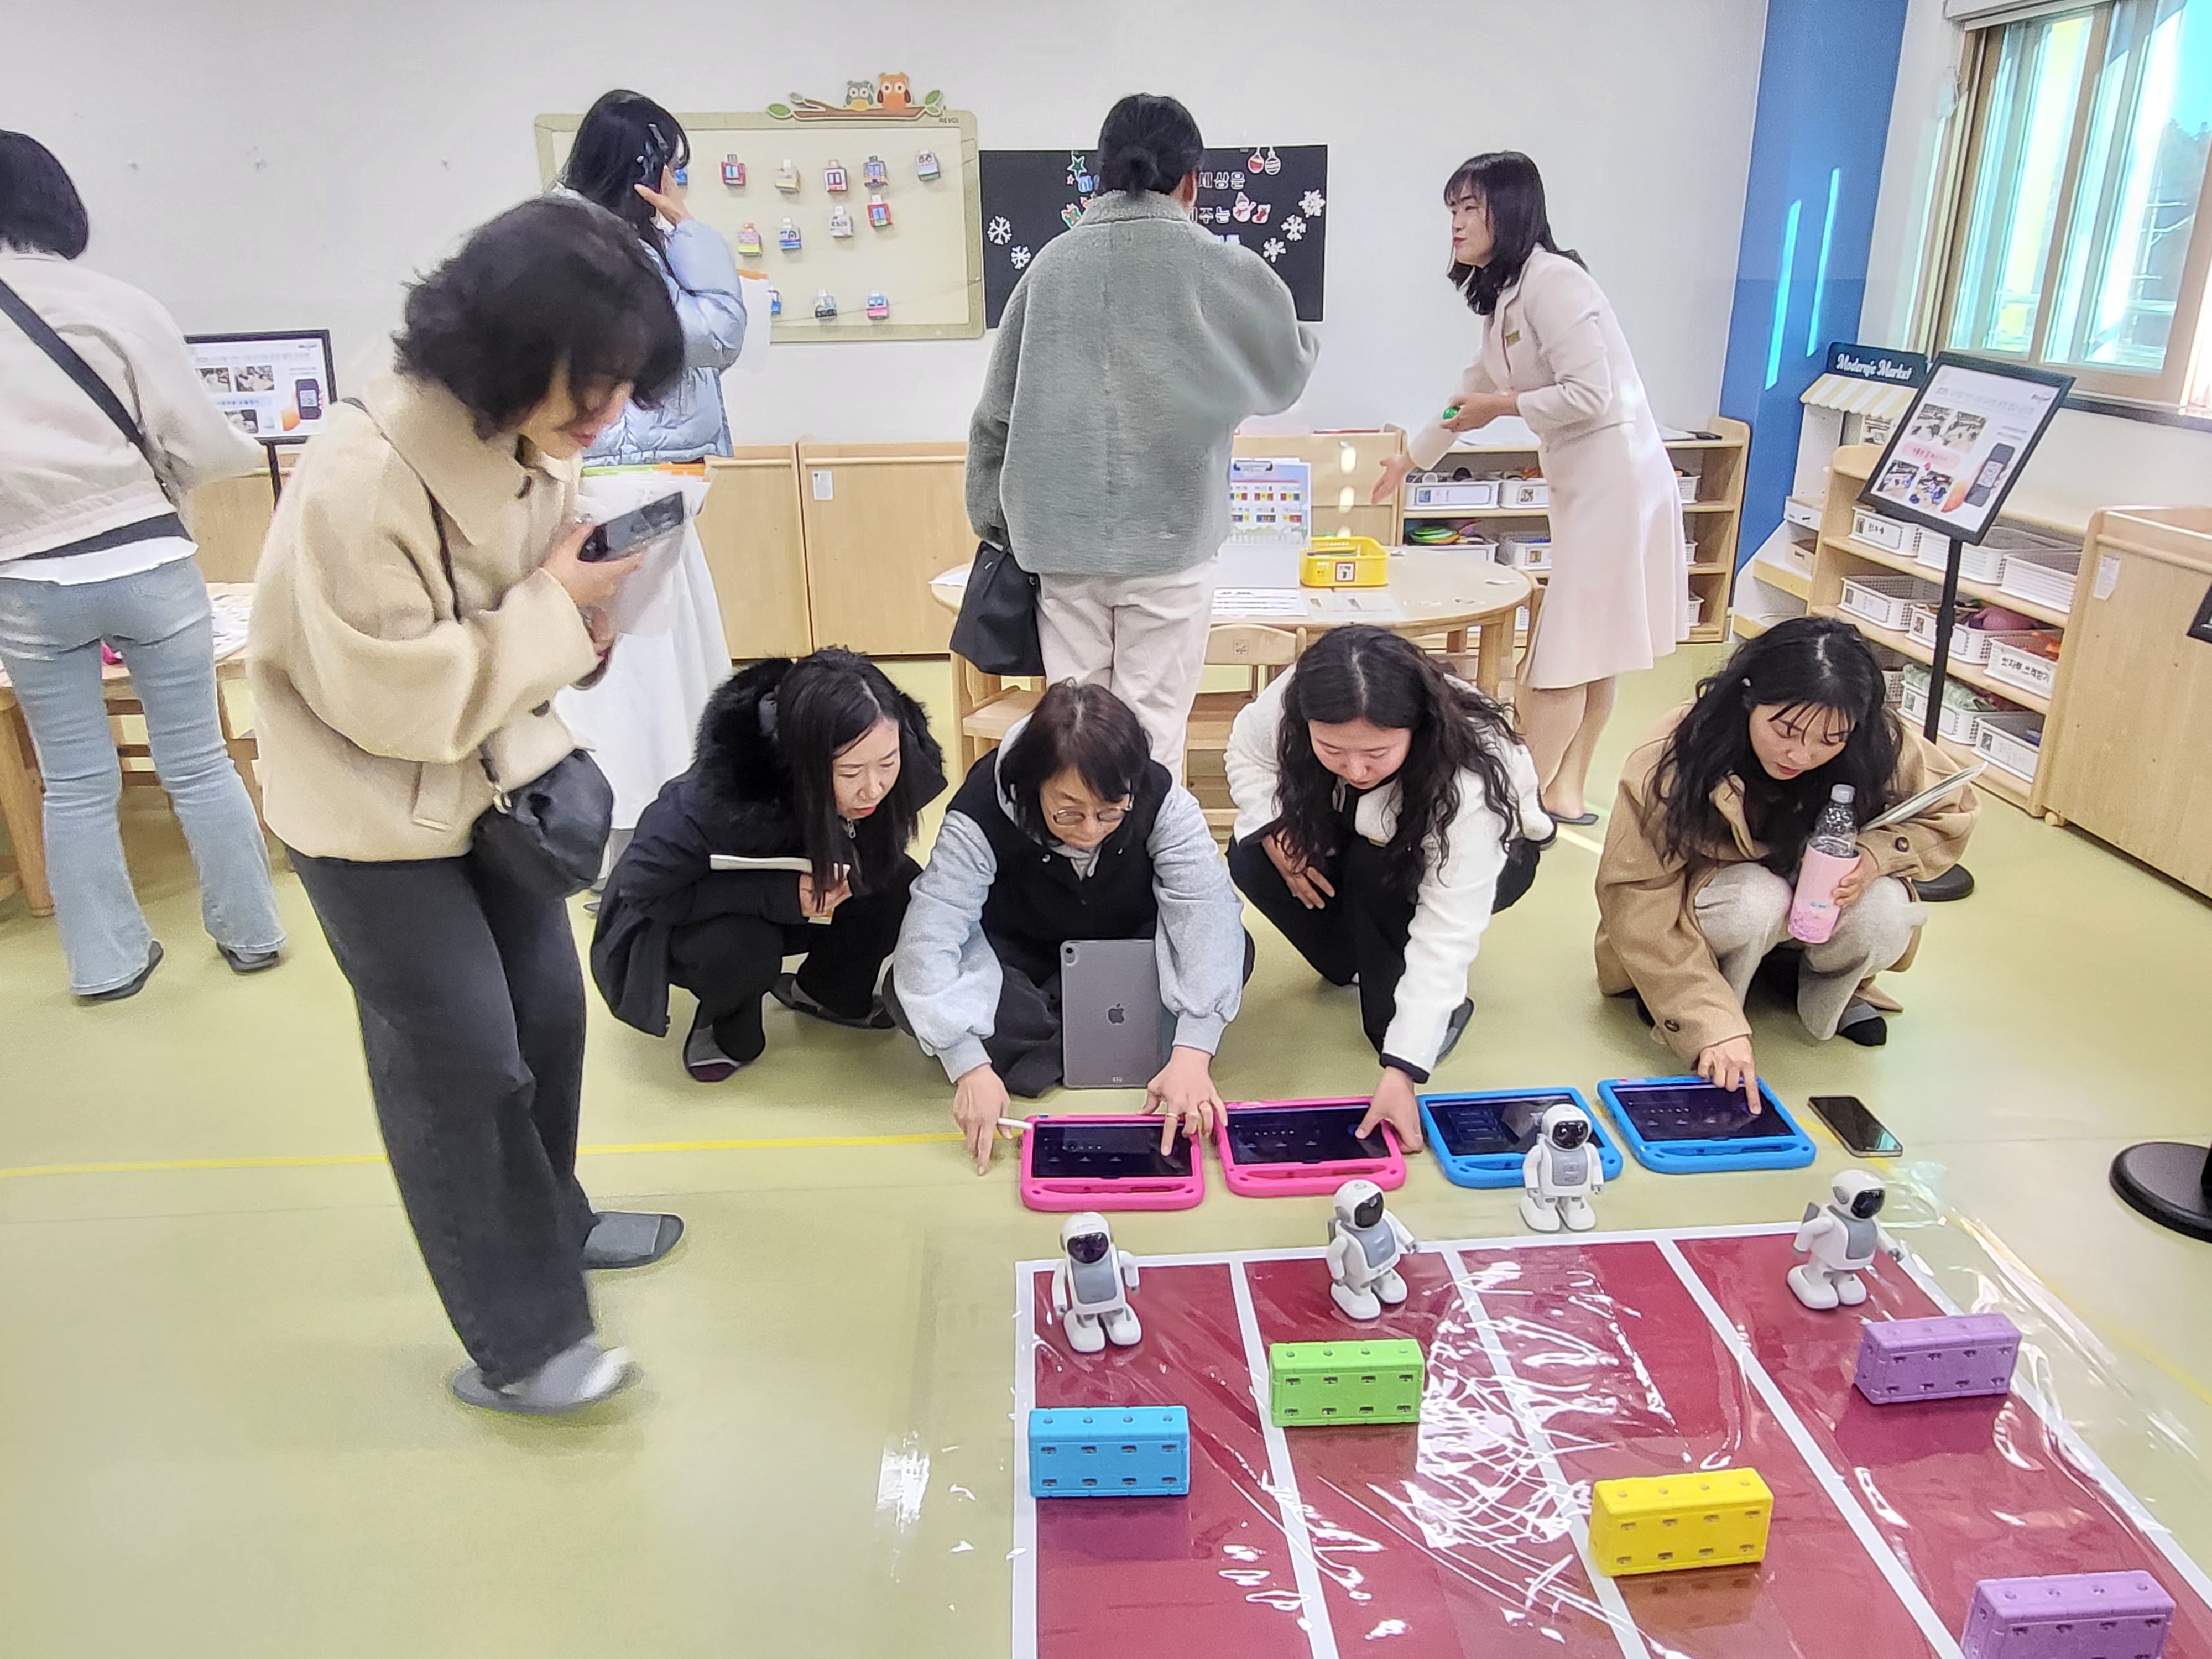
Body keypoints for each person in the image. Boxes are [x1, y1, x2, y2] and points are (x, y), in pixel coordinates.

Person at [248, 195, 688, 1416]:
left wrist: (582, 608)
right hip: (370, 813)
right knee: (460, 1064)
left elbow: (524, 627)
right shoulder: (358, 480)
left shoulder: (525, 440)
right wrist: (558, 606)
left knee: (547, 1016)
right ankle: (521, 1339)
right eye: (589, 394)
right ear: (503, 357)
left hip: (492, 783)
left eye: (616, 394)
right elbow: (395, 703)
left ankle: (553, 1228)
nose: (602, 421)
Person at [0, 131, 285, 999]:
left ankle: (106, 964)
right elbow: (198, 439)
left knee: (74, 782)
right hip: (147, 557)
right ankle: (251, 936)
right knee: (197, 760)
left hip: (24, 582)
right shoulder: (114, 302)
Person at [965, 93, 1319, 777]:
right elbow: (1289, 364)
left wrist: (996, 520)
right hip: (1171, 538)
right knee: (1154, 730)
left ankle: (1079, 865)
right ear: (1192, 180)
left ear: (1097, 174)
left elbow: (995, 416)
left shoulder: (1049, 266)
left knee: (1075, 722)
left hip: (1060, 543)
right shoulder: (1214, 263)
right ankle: (1148, 868)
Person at [1374, 151, 1686, 825]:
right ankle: (1562, 792)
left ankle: (1514, 808)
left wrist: (1504, 407)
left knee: (1565, 651)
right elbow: (1471, 392)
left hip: (1616, 481)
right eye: (1451, 211)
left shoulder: (1555, 283)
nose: (1455, 225)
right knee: (1597, 645)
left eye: (1468, 209)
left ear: (1508, 210)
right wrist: (1411, 459)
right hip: (1588, 484)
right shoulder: (1507, 293)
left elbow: (1590, 393)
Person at [1594, 618, 1979, 1104]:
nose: (1802, 754)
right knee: (1757, 899)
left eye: (1830, 740)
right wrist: (1706, 1024)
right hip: (1715, 913)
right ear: (1749, 697)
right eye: (1786, 730)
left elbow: (1955, 808)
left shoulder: (1879, 740)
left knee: (1887, 909)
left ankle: (1824, 990)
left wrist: (1877, 856)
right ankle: (1708, 1002)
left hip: (1815, 906)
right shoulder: (1676, 750)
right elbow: (1636, 895)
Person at [890, 680, 1249, 1173]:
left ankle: (1058, 1040)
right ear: (1032, 784)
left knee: (1233, 945)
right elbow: (932, 932)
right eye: (1067, 812)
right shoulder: (982, 809)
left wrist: (1194, 1053)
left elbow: (1206, 908)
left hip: (1130, 948)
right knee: (904, 986)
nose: (1088, 832)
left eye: (1109, 813)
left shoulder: (1158, 794)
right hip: (1023, 956)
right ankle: (1116, 1033)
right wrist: (968, 1065)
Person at [1225, 625, 1552, 1150]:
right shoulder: (1299, 697)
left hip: (1488, 859)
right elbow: (1248, 751)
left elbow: (1446, 930)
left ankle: (1443, 1007)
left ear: (1416, 727)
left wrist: (1403, 1072)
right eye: (1332, 749)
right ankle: (1346, 957)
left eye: (1376, 752)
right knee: (1251, 855)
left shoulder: (1467, 779)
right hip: (1364, 829)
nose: (1355, 768)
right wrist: (1274, 822)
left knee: (1389, 1024)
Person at [592, 649, 945, 1081]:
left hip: (806, 893)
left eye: (888, 764)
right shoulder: (716, 799)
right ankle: (726, 1024)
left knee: (899, 883)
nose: (873, 788)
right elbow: (643, 890)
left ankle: (828, 991)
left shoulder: (902, 761)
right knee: (741, 947)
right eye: (851, 772)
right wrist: (778, 896)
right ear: (801, 763)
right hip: (690, 913)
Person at [555, 90, 753, 858]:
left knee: (644, 654)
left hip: (631, 482)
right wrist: (692, 231)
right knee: (635, 661)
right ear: (644, 171)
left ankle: (649, 829)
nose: (679, 185)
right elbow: (718, 333)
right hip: (635, 485)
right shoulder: (616, 255)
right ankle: (633, 839)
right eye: (673, 168)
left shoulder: (575, 243)